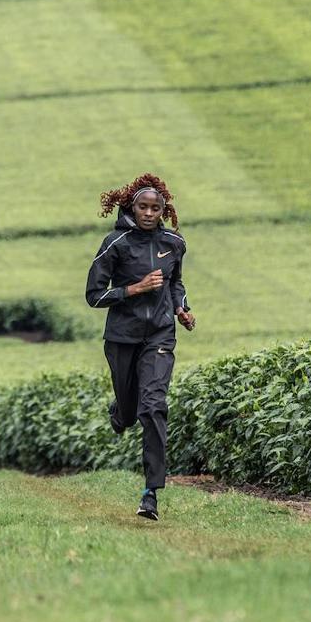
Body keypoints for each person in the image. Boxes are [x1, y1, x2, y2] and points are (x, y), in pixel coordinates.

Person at [85, 173, 196, 521]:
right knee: (132, 411)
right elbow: (93, 295)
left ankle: (151, 494)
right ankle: (120, 413)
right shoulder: (114, 244)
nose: (149, 213)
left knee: (154, 407)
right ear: (132, 207)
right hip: (122, 338)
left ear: (164, 210)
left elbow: (176, 282)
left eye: (155, 208)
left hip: (159, 336)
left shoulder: (174, 243)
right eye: (143, 207)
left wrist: (181, 308)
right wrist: (134, 289)